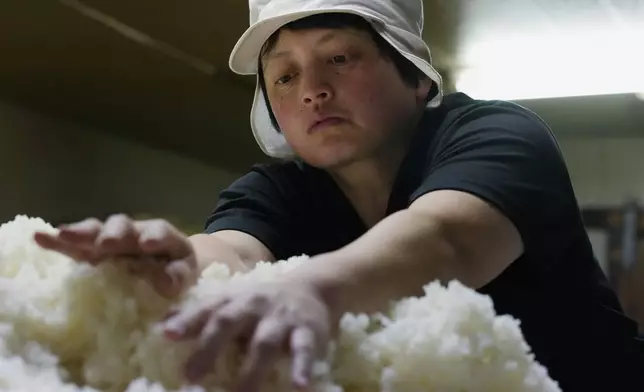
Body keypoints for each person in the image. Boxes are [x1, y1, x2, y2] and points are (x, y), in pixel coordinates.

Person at [35, 0, 643, 390]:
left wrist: (312, 287)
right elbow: (236, 252)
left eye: (340, 57)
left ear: (413, 76)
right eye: (286, 74)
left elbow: (444, 238)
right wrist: (175, 263)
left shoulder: (496, 134)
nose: (312, 90)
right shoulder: (281, 189)